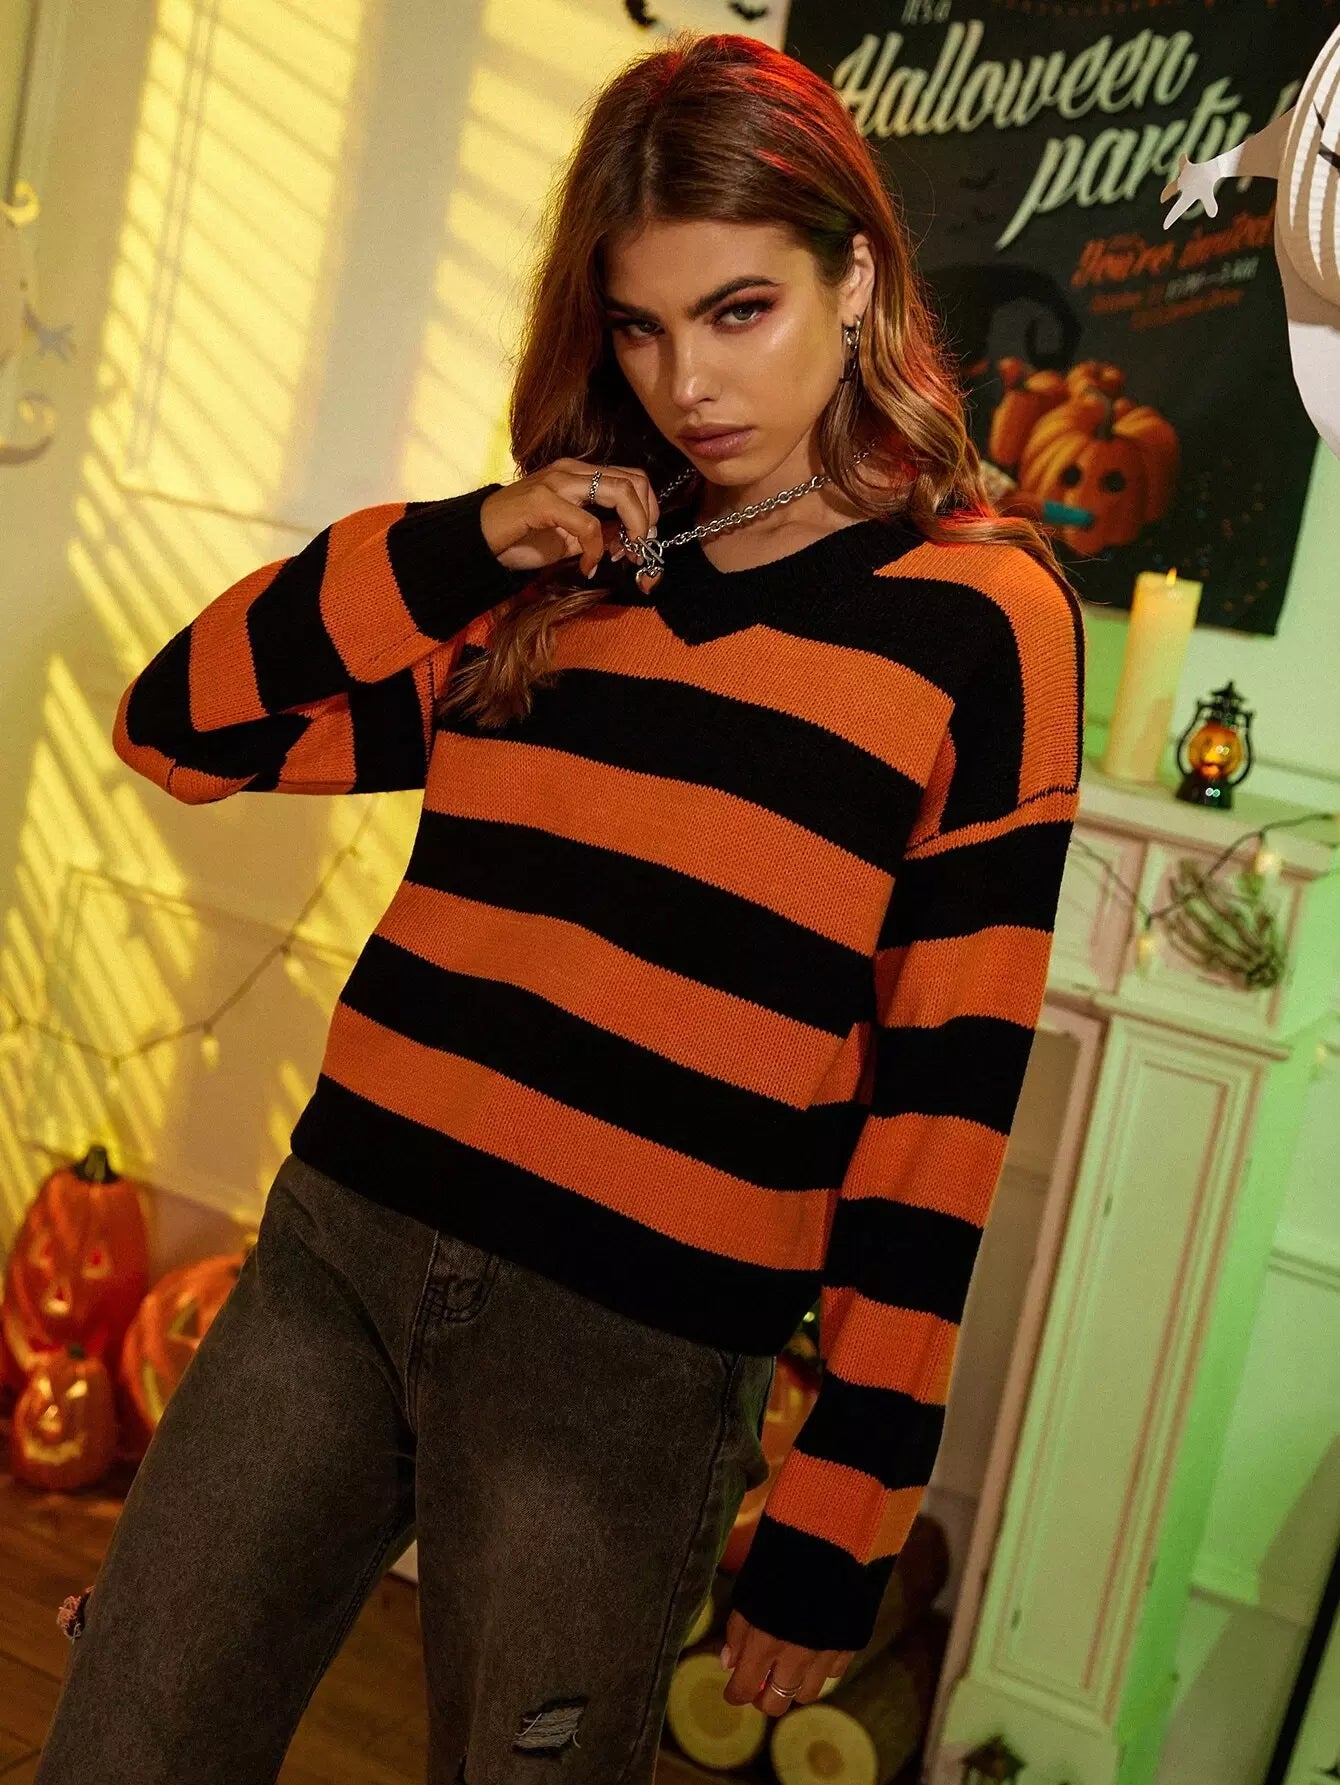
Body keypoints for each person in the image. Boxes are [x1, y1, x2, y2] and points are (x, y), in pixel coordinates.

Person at [34, 29, 1086, 1785]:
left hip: (629, 1350)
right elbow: (180, 727)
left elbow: (943, 1103)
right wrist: (467, 539)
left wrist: (847, 1498)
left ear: (856, 278)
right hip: (337, 1256)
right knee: (124, 1748)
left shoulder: (981, 617)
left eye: (739, 310)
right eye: (641, 327)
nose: (690, 384)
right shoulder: (564, 562)